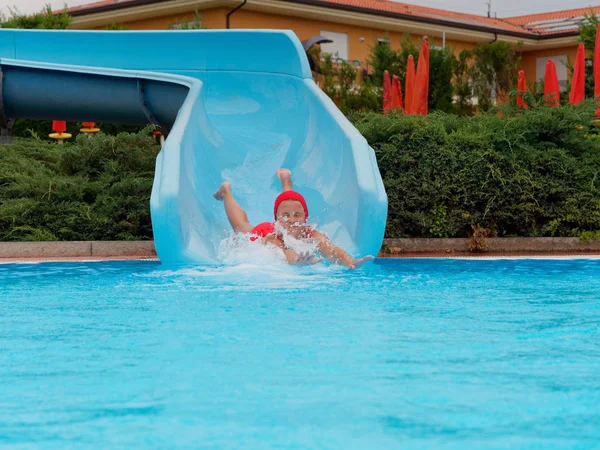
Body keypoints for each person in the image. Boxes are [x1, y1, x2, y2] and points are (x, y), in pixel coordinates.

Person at [213, 168, 374, 269]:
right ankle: (226, 192)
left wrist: (349, 261)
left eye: (298, 215)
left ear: (305, 218)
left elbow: (330, 249)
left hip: (288, 210)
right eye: (285, 216)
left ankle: (286, 180)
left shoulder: (310, 233)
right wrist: (297, 260)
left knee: (290, 202)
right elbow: (284, 252)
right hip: (262, 233)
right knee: (242, 227)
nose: (292, 220)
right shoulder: (274, 235)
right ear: (276, 219)